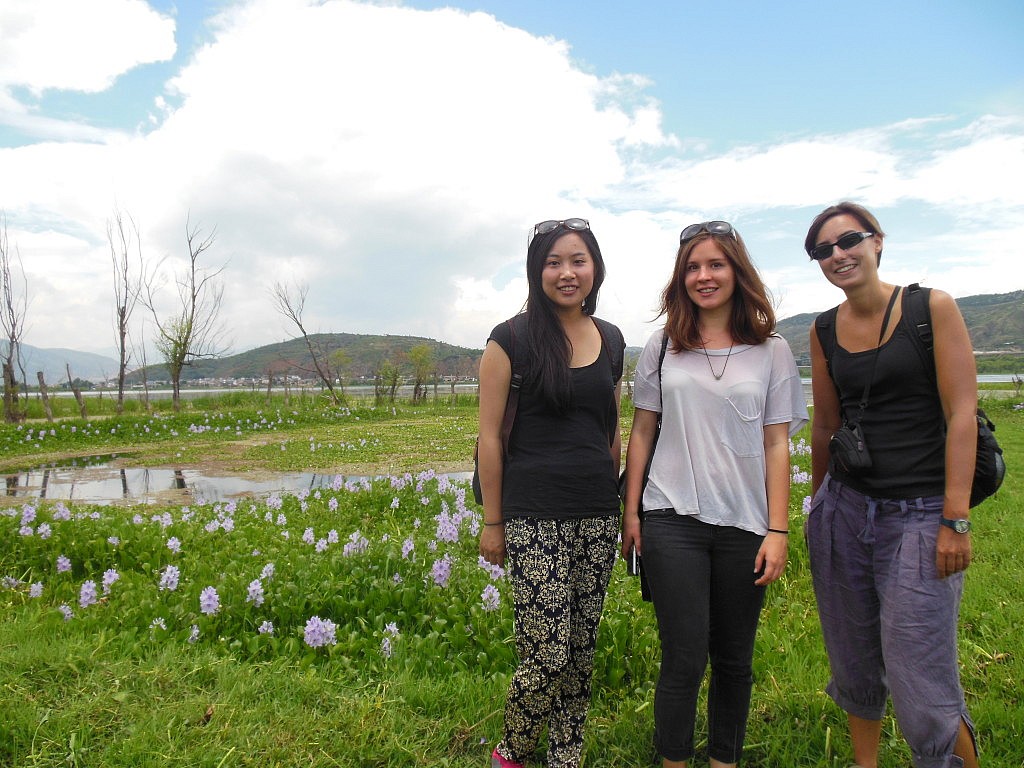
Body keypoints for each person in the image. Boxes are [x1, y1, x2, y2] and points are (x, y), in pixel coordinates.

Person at [620, 221, 807, 768]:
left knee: (734, 659)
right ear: (681, 278)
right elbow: (643, 431)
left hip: (746, 524)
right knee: (683, 657)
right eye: (693, 267)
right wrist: (631, 512)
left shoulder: (770, 349)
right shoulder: (662, 346)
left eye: (715, 265)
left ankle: (724, 761)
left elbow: (777, 444)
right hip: (670, 514)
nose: (704, 277)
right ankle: (672, 761)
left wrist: (779, 528)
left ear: (737, 272)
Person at [803, 202, 981, 768]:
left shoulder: (932, 308)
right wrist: (819, 510)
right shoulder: (824, 329)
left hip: (922, 512)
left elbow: (962, 413)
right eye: (823, 250)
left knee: (918, 671)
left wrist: (955, 518)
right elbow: (828, 426)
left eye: (847, 240)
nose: (838, 255)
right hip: (847, 512)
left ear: (877, 241)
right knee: (853, 658)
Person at [478, 218, 626, 768]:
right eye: (554, 262)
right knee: (547, 650)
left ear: (595, 269)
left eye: (578, 260)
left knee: (581, 650)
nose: (567, 273)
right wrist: (494, 522)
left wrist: (620, 505)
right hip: (533, 514)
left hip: (596, 512)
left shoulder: (611, 339)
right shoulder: (510, 338)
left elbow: (610, 429)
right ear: (537, 271)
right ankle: (512, 751)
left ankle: (566, 753)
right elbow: (489, 437)